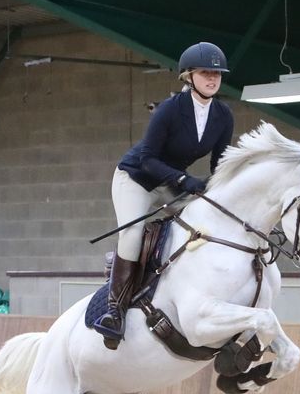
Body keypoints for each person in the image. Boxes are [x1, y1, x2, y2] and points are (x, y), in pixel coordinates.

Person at [92, 41, 235, 347]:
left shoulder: (223, 115)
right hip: (137, 178)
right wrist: (185, 178)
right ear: (189, 76)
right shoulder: (170, 110)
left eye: (217, 74)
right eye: (205, 72)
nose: (212, 78)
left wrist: (221, 189)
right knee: (131, 233)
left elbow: (220, 162)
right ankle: (114, 311)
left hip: (172, 183)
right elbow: (147, 159)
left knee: (204, 225)